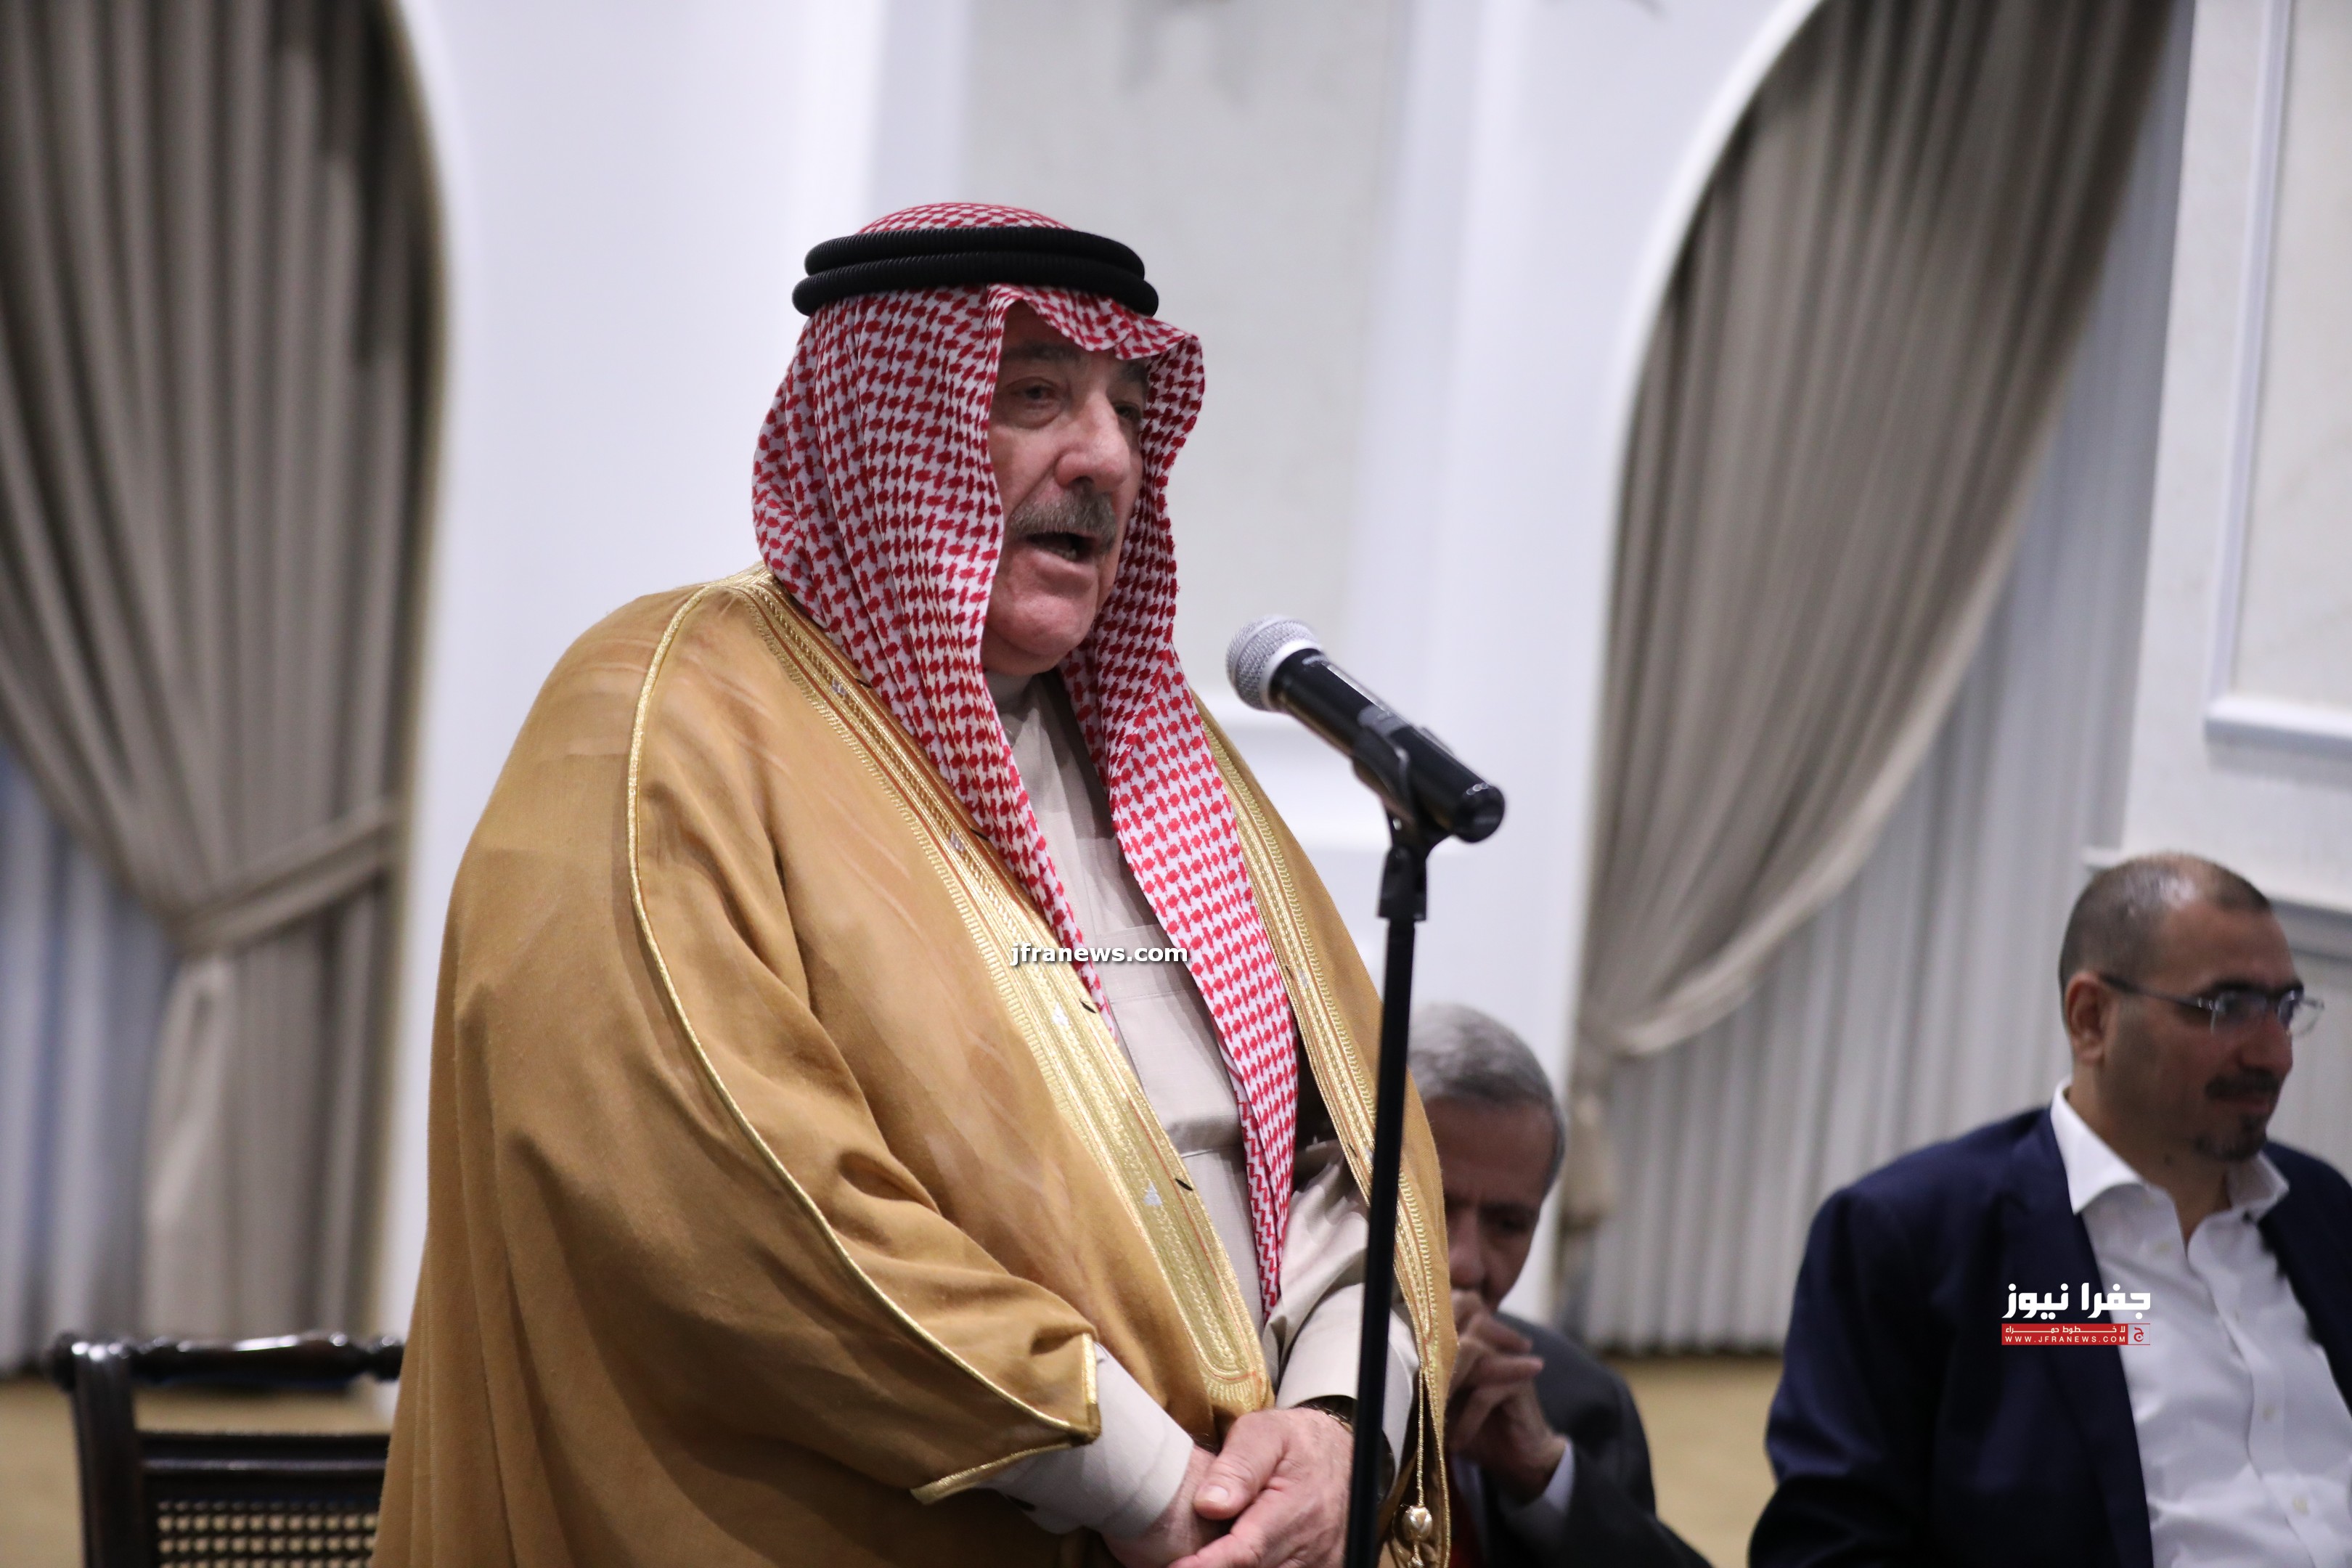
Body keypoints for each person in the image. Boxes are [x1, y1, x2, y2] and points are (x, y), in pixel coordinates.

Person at [375, 204, 1455, 1568]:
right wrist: (1151, 1488)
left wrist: (1340, 1426)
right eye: (1035, 396)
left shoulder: (1164, 755)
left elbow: (1342, 1144)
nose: (1107, 458)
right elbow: (728, 1201)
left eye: (1130, 409)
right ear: (879, 433)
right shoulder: (662, 720)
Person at [1755, 852, 2352, 1567]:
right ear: (2091, 1018)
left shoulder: (2321, 1210)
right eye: (2227, 1009)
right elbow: (1830, 1548)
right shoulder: (1919, 1238)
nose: (2275, 1055)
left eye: (2285, 1009)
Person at [1410, 1003, 1707, 1568]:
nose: (1466, 1265)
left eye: (1508, 1224)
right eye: (1432, 1207)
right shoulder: (1259, 1387)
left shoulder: (1584, 1402)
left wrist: (1545, 1479)